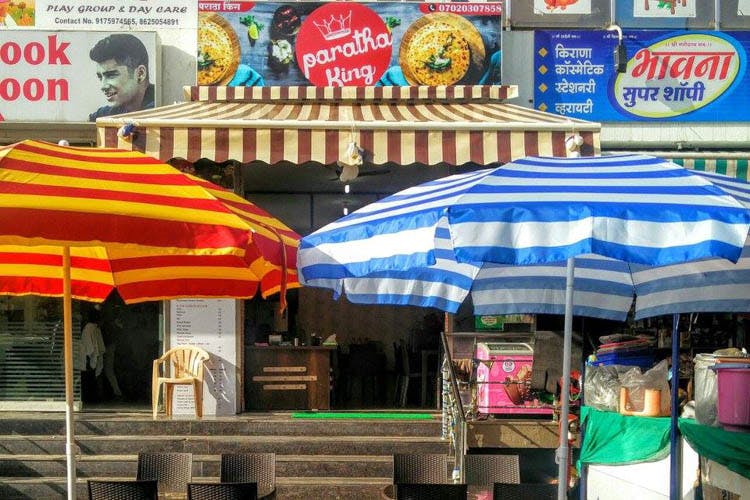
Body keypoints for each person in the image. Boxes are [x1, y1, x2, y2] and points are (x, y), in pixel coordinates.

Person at [88, 33, 155, 121]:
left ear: (140, 74)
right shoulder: (107, 114)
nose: (103, 86)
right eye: (100, 77)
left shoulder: (163, 110)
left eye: (111, 75)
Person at [77, 306, 105, 403]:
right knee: (91, 379)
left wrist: (88, 356)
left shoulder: (89, 328)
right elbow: (98, 345)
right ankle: (92, 398)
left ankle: (89, 399)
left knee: (87, 380)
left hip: (88, 357)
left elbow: (88, 344)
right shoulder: (94, 328)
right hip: (92, 357)